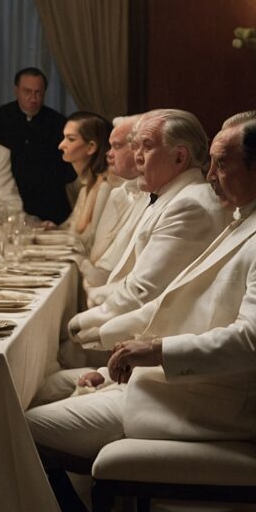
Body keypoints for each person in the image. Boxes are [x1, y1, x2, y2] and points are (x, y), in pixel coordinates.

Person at [26, 110, 256, 461]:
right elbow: (177, 297)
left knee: (23, 424)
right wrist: (133, 347)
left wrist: (156, 352)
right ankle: (84, 509)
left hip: (212, 404)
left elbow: (254, 340)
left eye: (221, 165)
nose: (209, 176)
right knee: (41, 388)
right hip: (185, 384)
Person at [67, 109, 228, 347]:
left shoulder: (189, 205)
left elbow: (144, 292)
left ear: (180, 157)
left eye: (147, 146)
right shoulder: (171, 195)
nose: (137, 157)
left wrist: (79, 319)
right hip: (135, 326)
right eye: (135, 147)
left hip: (158, 341)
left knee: (50, 377)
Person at [0, 67, 75, 223]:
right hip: (6, 203)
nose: (33, 98)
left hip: (49, 206)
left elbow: (67, 169)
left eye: (38, 93)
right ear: (16, 90)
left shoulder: (59, 124)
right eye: (27, 92)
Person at [79, 113, 145, 289]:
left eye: (116, 146)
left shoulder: (152, 198)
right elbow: (97, 255)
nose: (108, 154)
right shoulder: (117, 193)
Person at [55, 111, 112, 252]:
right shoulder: (85, 186)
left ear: (91, 147)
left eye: (71, 139)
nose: (61, 145)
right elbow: (70, 229)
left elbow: (91, 243)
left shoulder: (104, 187)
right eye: (64, 138)